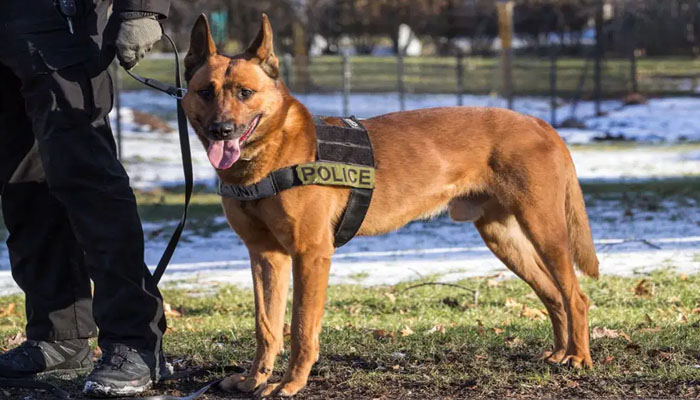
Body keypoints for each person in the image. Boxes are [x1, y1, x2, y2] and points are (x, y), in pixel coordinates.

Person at [0, 0, 171, 397]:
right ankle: (60, 334)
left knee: (89, 183)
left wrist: (141, 9)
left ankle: (135, 340)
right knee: (22, 186)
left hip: (57, 20)